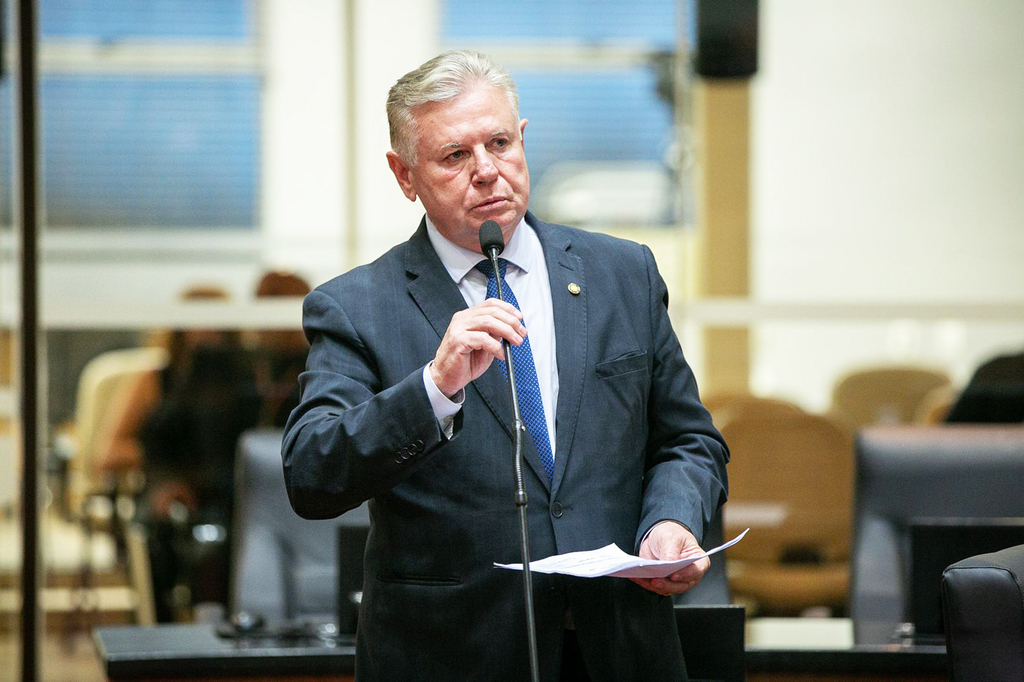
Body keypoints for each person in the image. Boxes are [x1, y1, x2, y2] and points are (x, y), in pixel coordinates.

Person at [282, 51, 729, 681]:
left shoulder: (621, 274)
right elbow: (311, 472)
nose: (487, 171)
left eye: (498, 143)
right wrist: (433, 389)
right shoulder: (357, 307)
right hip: (452, 655)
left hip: (619, 647)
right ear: (404, 175)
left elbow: (688, 440)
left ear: (523, 139)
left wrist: (672, 520)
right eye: (455, 156)